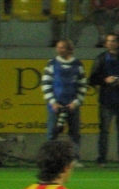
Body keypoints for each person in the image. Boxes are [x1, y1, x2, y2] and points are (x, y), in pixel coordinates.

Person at [41, 39, 87, 167]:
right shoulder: (51, 64)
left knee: (74, 134)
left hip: (72, 106)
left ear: (69, 50)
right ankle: (50, 160)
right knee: (52, 133)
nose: (58, 50)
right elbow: (45, 84)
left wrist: (76, 103)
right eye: (58, 47)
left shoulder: (78, 65)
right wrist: (53, 102)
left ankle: (74, 159)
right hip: (55, 106)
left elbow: (83, 86)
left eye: (61, 48)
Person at [88, 32, 119, 168]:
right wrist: (105, 80)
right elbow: (92, 79)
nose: (110, 44)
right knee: (104, 131)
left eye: (113, 41)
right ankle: (102, 160)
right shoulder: (101, 58)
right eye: (108, 41)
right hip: (106, 100)